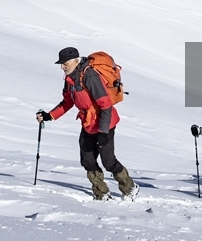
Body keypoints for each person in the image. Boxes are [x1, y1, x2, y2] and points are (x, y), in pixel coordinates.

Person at [36, 47, 138, 201]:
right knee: (87, 160)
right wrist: (49, 116)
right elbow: (68, 101)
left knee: (108, 162)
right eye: (61, 64)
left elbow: (105, 105)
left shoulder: (90, 76)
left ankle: (129, 187)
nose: (62, 67)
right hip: (88, 123)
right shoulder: (70, 79)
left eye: (65, 63)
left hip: (105, 123)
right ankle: (101, 193)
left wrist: (103, 132)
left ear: (76, 61)